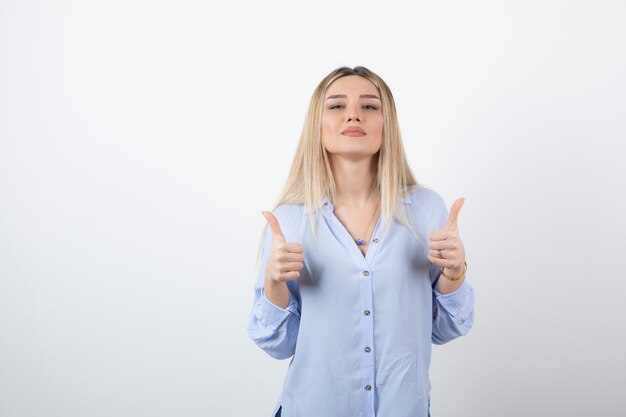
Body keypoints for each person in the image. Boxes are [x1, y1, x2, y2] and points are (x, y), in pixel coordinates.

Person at [247, 66, 475, 417]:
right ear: (317, 126)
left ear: (388, 125)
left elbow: (443, 331)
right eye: (337, 106)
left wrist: (455, 273)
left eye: (370, 106)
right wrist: (273, 283)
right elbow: (279, 345)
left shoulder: (427, 210)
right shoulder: (291, 220)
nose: (353, 113)